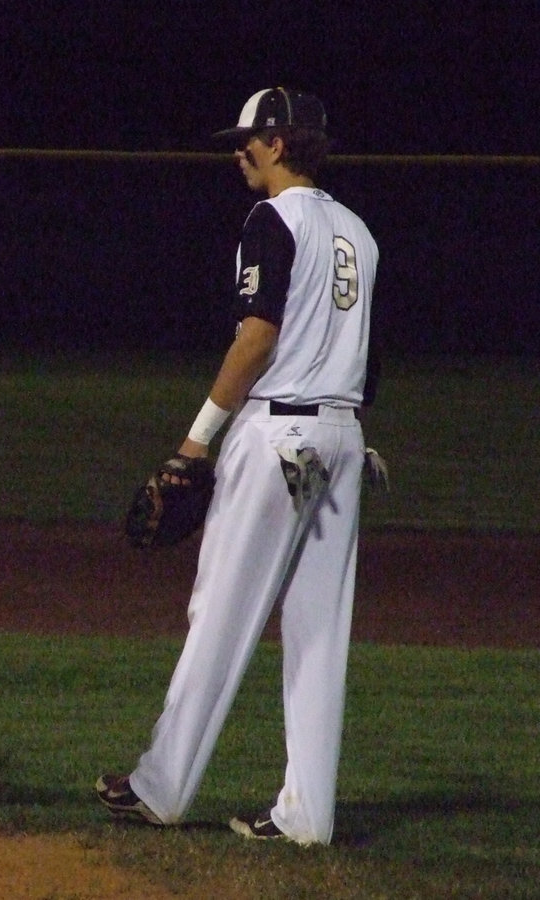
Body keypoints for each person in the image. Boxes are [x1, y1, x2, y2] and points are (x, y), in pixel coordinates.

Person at [96, 88, 380, 846]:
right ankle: (308, 815)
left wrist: (195, 443)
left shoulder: (270, 219)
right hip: (343, 440)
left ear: (280, 143)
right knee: (320, 630)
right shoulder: (359, 230)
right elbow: (365, 353)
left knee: (220, 609)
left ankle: (160, 787)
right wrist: (349, 426)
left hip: (280, 435)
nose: (238, 151)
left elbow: (257, 339)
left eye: (248, 139)